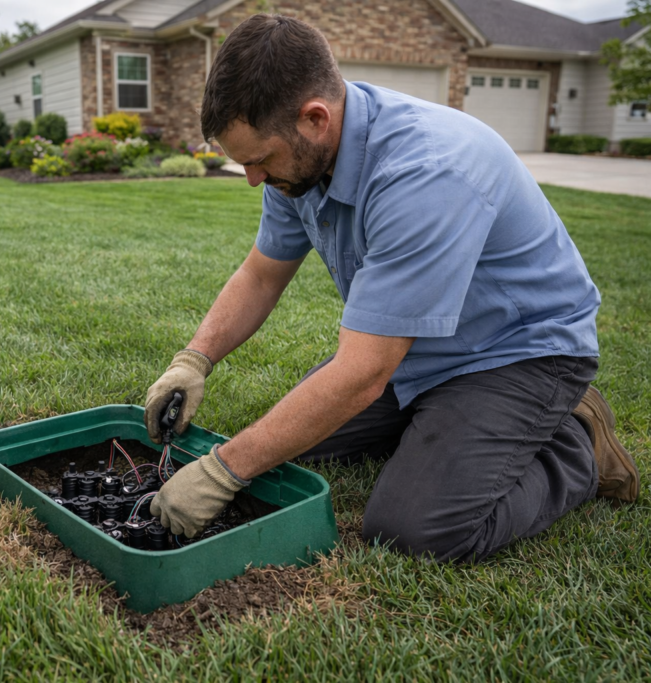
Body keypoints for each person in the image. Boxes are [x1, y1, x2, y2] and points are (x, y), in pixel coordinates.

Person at [145, 14, 640, 563]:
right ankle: (441, 421)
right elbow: (261, 274)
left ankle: (575, 446)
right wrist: (193, 360)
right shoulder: (300, 167)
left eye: (258, 161)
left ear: (314, 118)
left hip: (516, 354)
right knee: (294, 447)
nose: (254, 179)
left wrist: (223, 471)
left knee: (413, 530)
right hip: (416, 350)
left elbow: (362, 372)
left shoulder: (425, 170)